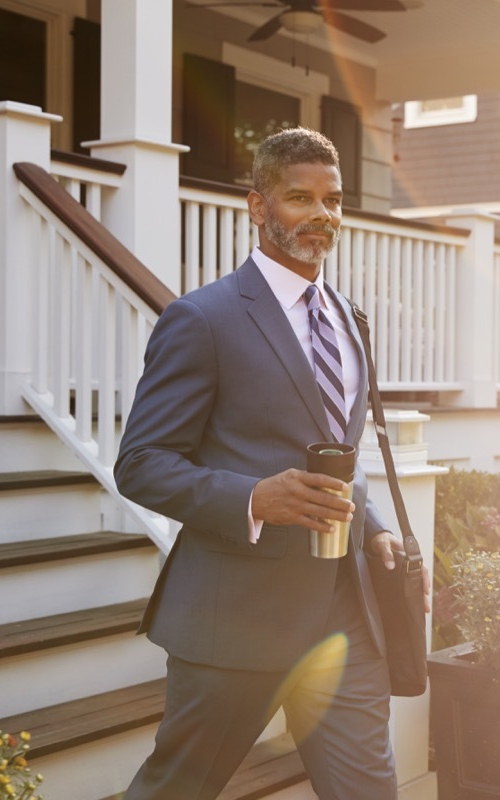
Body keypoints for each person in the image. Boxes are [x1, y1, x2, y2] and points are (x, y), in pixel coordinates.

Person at [114, 127, 424, 800]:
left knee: (370, 789)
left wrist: (371, 524)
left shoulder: (349, 318)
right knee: (178, 788)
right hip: (237, 618)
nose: (322, 215)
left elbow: (341, 448)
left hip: (346, 614)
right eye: (299, 197)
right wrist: (255, 497)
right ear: (257, 207)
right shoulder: (202, 320)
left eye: (334, 200)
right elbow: (140, 464)